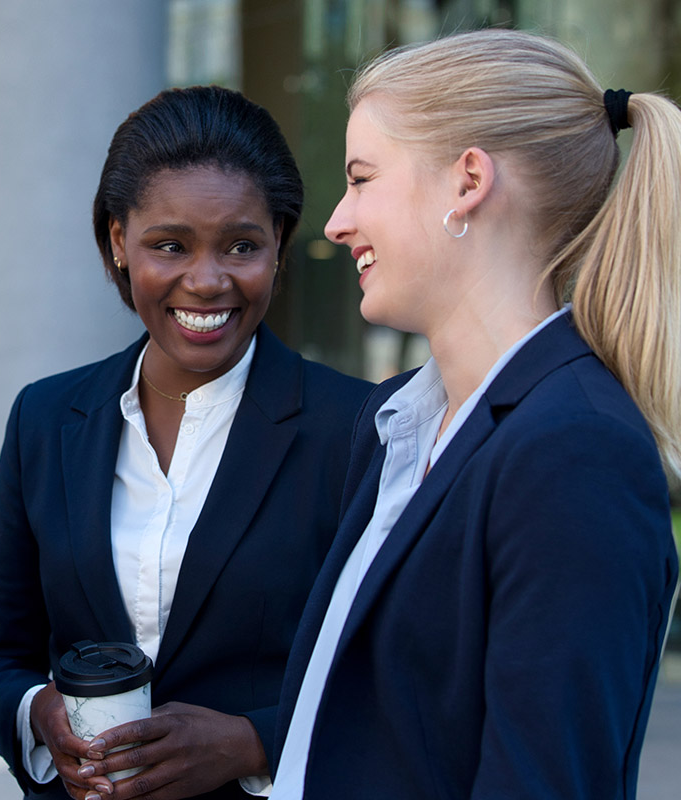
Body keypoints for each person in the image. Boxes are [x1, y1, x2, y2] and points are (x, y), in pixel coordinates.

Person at [270, 28, 681, 799]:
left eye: (361, 179)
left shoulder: (576, 450)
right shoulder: (399, 421)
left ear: (467, 182)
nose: (336, 221)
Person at [0, 85, 372, 800]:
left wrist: (254, 741)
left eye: (242, 246)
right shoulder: (45, 418)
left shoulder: (356, 429)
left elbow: (394, 675)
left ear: (279, 244)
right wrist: (40, 715)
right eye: (170, 245)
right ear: (117, 240)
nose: (207, 280)